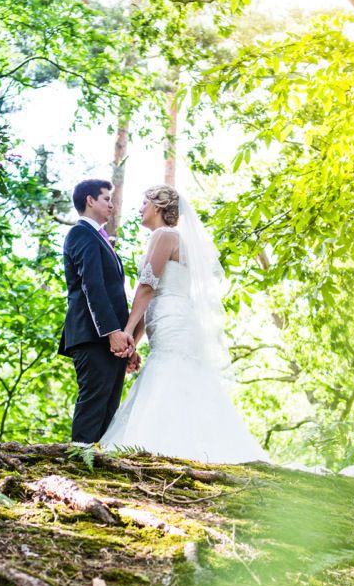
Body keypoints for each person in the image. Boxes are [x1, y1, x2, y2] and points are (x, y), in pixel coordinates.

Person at [98, 185, 268, 463]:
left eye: (144, 203)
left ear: (158, 207)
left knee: (170, 373)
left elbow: (146, 288)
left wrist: (127, 332)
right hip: (165, 318)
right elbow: (149, 297)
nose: (140, 209)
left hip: (172, 319)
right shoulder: (168, 238)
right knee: (172, 373)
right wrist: (134, 344)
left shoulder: (164, 235)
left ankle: (169, 449)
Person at [60, 179, 138, 443]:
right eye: (107, 199)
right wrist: (112, 331)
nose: (112, 206)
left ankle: (98, 472)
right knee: (93, 406)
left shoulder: (101, 239)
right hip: (93, 337)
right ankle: (78, 470)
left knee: (109, 412)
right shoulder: (80, 233)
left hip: (112, 340)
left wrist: (128, 343)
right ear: (89, 200)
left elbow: (115, 295)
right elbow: (91, 285)